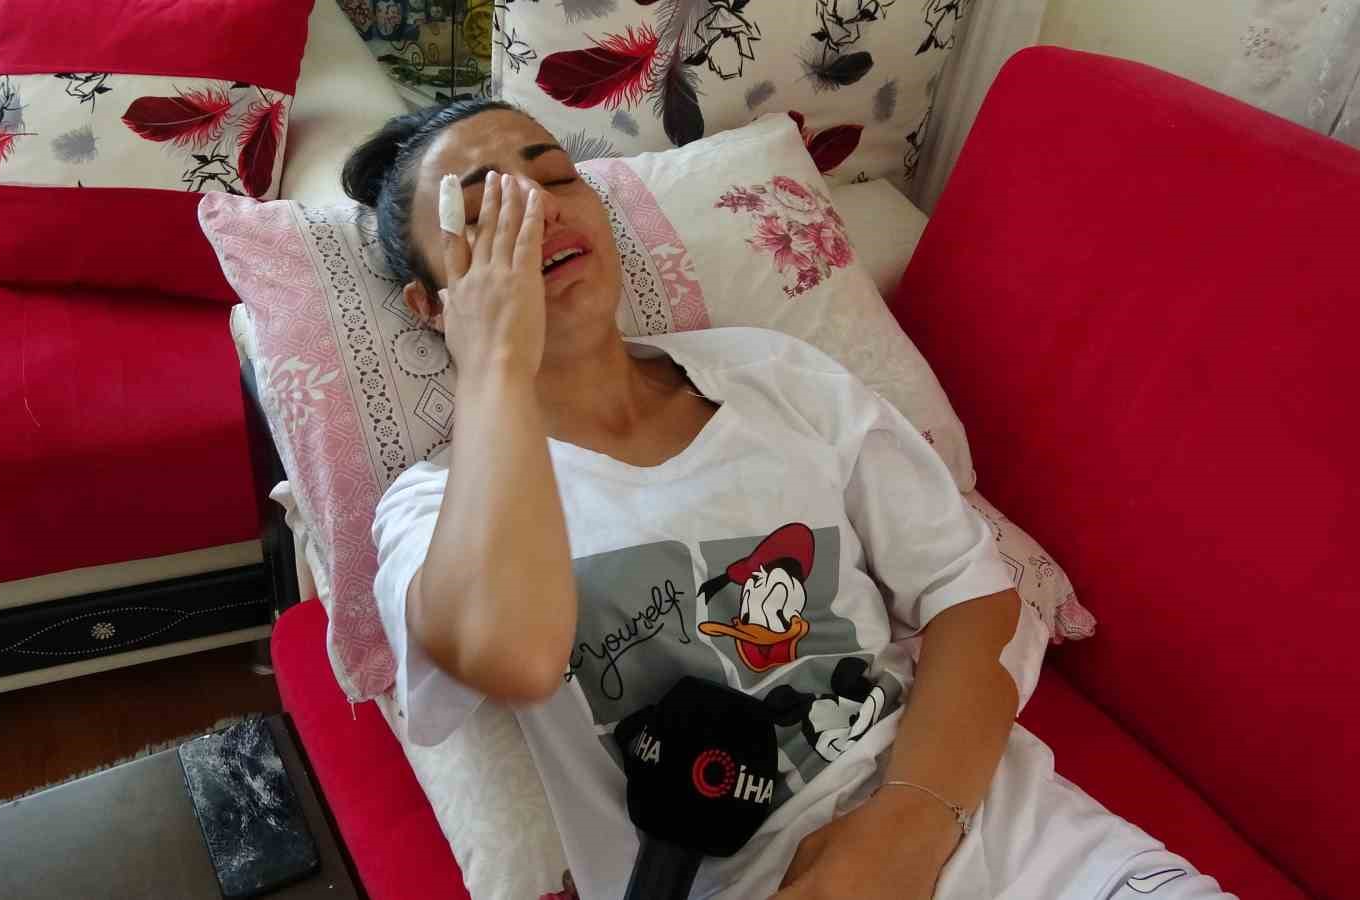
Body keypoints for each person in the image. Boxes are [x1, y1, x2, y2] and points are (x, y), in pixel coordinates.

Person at [346, 99, 1230, 900]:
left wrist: (904, 832)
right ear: (431, 304)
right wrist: (496, 361)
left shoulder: (772, 376)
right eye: (482, 213)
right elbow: (511, 655)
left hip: (1008, 837)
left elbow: (973, 599)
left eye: (554, 177)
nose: (536, 211)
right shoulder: (432, 507)